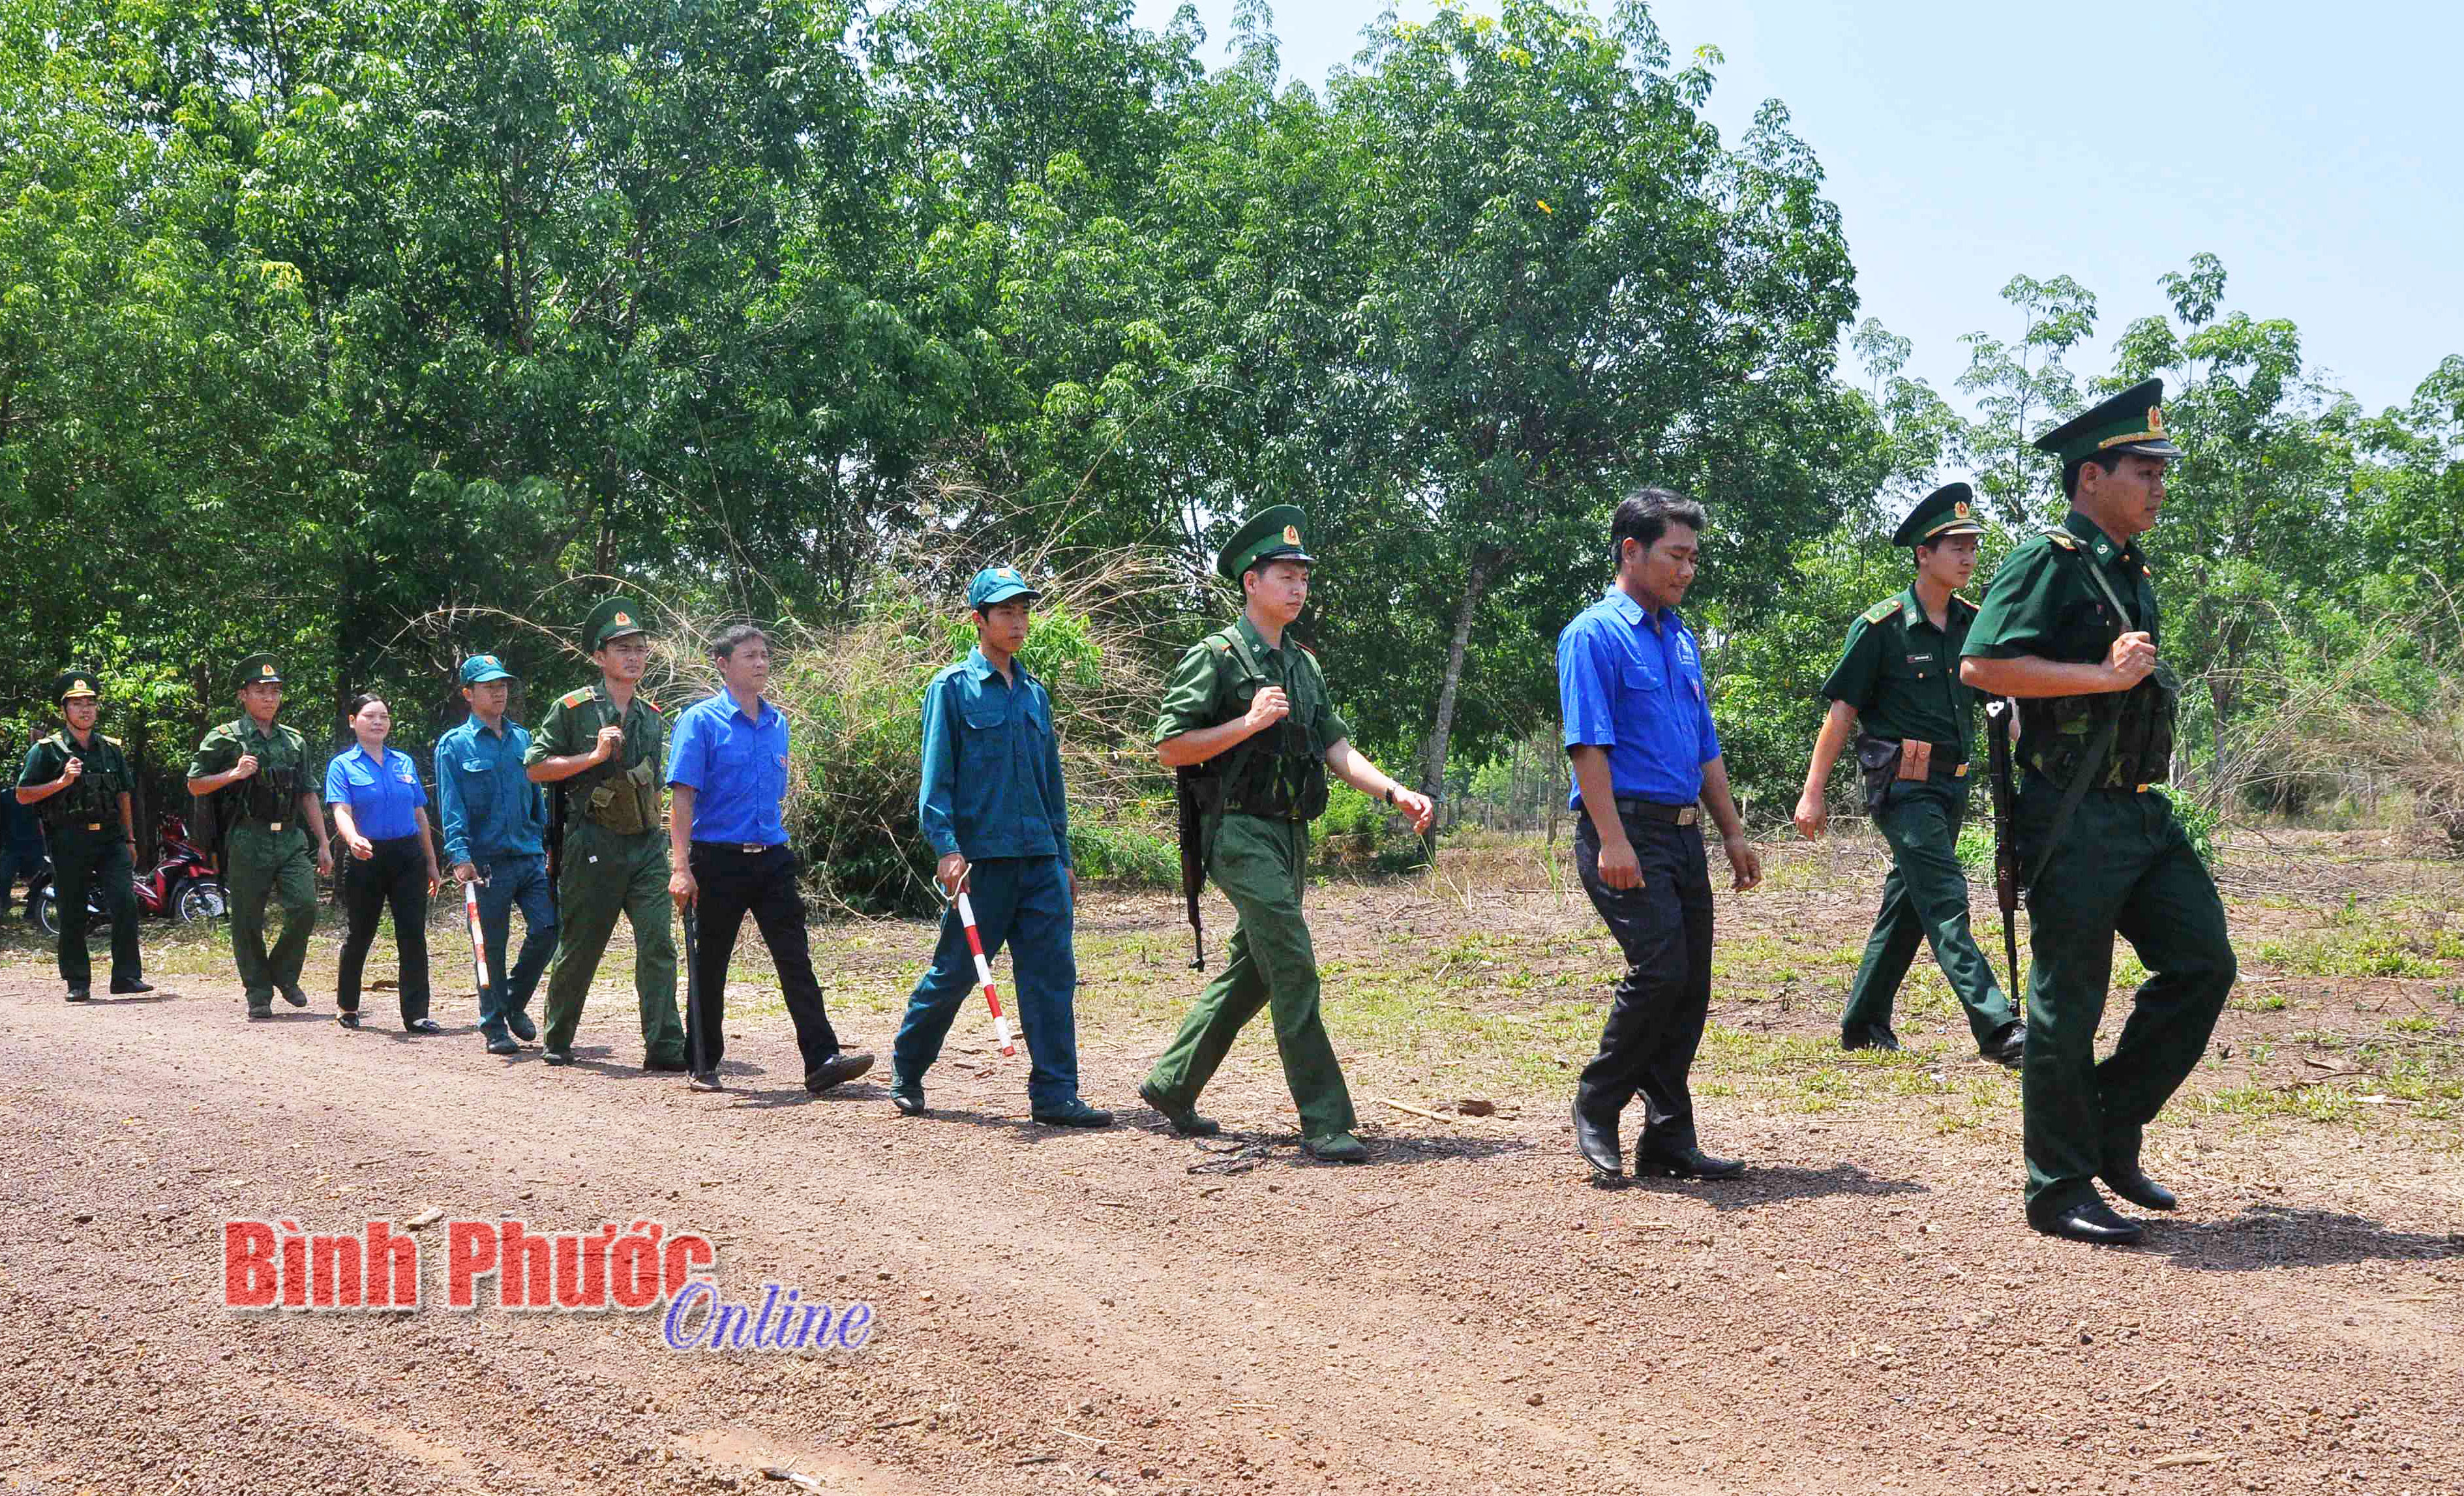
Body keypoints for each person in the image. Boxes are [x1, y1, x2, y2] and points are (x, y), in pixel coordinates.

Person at [1959, 379, 2235, 1246]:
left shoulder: (2127, 568)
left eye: (2162, 469)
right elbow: (1981, 664)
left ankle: (2108, 1124)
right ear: (2090, 477)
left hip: (2140, 813)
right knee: (2065, 1002)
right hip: (2070, 813)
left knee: (2201, 963)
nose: (2159, 484)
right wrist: (2099, 677)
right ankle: (2057, 1187)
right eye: (2142, 469)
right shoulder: (2047, 561)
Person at [1139, 507, 1434, 1163]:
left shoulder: (1303, 665)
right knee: (1293, 961)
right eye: (1285, 574)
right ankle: (1325, 1119)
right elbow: (1169, 747)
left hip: (1290, 834)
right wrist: (1244, 724)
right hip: (1236, 832)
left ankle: (1172, 1082)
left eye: (1303, 575)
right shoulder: (1214, 657)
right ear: (1251, 580)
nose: (1298, 586)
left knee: (1254, 968)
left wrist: (1393, 790)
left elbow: (1335, 747)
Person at [1557, 488, 1763, 1186]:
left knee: (1690, 985)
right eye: (1676, 555)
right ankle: (1599, 1094)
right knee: (1660, 971)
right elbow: (1588, 745)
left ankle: (1669, 1137)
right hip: (1625, 829)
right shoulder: (1593, 634)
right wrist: (1612, 840)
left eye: (1693, 557)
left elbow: (1703, 744)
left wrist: (1732, 831)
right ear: (1630, 550)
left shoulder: (1679, 637)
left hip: (1682, 833)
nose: (1686, 568)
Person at [1793, 482, 2025, 1066]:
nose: (1970, 557)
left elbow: (2004, 701)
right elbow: (1842, 712)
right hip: (1901, 784)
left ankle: (1864, 1020)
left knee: (1910, 902)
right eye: (1957, 547)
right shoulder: (1882, 627)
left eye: (1974, 546)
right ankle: (1997, 1028)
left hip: (1953, 784)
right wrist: (1812, 794)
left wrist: (2038, 757)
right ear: (1924, 554)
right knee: (1947, 899)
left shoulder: (1976, 624)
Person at [887, 567, 1111, 1126]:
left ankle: (1056, 1095)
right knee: (954, 975)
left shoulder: (1036, 695)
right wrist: (945, 846)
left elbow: (1050, 783)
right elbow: (936, 776)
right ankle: (908, 1070)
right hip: (980, 865)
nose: (1017, 621)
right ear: (978, 620)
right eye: (1006, 612)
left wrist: (1063, 859)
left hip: (1039, 861)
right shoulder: (952, 688)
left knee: (1051, 978)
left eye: (1024, 611)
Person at [664, 623, 874, 1096]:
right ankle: (702, 1060)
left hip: (772, 857)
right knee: (711, 961)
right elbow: (682, 799)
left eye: (764, 655)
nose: (760, 663)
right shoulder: (700, 722)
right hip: (717, 859)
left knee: (794, 957)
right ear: (723, 664)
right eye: (749, 656)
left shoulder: (778, 723)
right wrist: (681, 868)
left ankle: (821, 1058)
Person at [523, 599, 689, 1071]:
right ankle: (558, 1036)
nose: (633, 657)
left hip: (645, 845)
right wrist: (592, 759)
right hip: (592, 844)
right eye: (622, 649)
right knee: (582, 946)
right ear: (600, 657)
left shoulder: (652, 715)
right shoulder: (572, 709)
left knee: (658, 945)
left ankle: (664, 1046)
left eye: (639, 648)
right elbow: (535, 768)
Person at [188, 655, 333, 1019]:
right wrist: (233, 775)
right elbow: (194, 785)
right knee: (247, 919)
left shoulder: (295, 741)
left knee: (305, 907)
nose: (269, 698)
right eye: (260, 691)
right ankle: (258, 991)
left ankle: (283, 973)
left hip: (289, 837)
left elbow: (307, 792)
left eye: (275, 691)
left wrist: (325, 843)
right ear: (243, 695)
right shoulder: (224, 738)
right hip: (247, 837)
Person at [436, 653, 556, 1055]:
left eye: (503, 684)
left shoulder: (524, 739)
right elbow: (451, 804)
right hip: (485, 862)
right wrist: (459, 854)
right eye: (489, 686)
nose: (499, 691)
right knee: (491, 946)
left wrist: (547, 844)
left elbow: (537, 796)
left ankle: (513, 1003)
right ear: (469, 694)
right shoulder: (455, 745)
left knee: (547, 930)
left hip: (527, 854)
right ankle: (494, 1026)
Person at [14, 671, 149, 1001]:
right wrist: (61, 783)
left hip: (110, 838)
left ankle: (126, 977)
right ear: (65, 711)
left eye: (90, 703)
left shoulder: (110, 749)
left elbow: (123, 795)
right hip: (69, 839)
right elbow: (23, 794)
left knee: (125, 903)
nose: (85, 710)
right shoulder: (47, 751)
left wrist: (130, 839)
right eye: (77, 704)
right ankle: (78, 981)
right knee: (73, 910)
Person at [325, 693, 443, 1032]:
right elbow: (340, 811)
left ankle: (417, 1014)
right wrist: (352, 839)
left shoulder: (403, 763)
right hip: (366, 855)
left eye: (384, 717)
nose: (378, 722)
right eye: (370, 716)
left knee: (412, 933)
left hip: (408, 856)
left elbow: (419, 813)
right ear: (353, 721)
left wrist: (432, 861)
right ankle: (348, 1006)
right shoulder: (343, 765)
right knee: (361, 933)